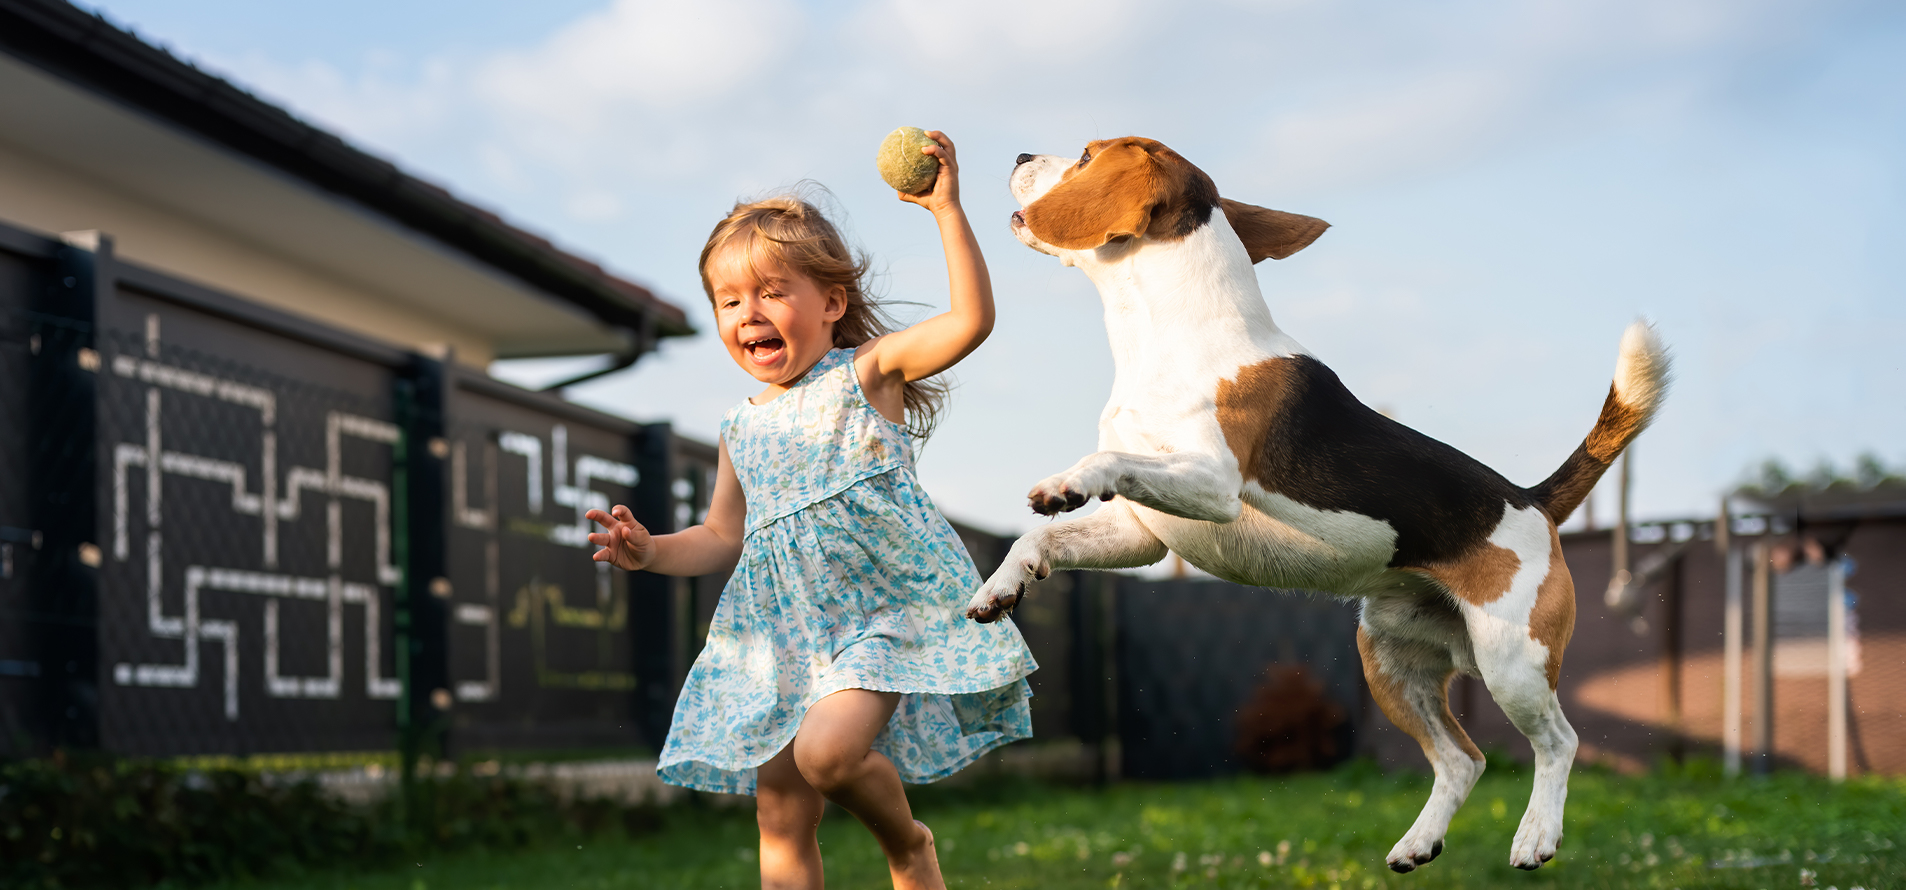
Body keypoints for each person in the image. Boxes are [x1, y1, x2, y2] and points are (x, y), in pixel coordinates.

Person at [587, 131, 1035, 890]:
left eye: (771, 292)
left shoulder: (868, 374)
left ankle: (907, 846)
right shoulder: (741, 425)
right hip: (778, 634)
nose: (748, 313)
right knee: (781, 811)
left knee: (826, 755)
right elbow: (723, 534)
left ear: (830, 303)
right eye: (730, 300)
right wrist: (652, 550)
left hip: (881, 616)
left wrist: (946, 211)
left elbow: (970, 322)